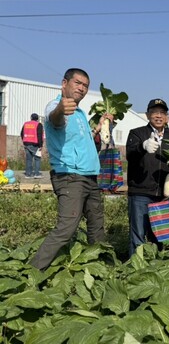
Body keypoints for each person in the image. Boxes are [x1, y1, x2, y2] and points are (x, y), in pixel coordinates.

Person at [30, 68, 106, 270]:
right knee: (67, 227)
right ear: (65, 83)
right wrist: (61, 109)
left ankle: (100, 269)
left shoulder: (80, 114)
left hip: (89, 176)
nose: (82, 88)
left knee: (96, 225)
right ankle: (32, 272)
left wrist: (99, 127)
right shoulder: (56, 106)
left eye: (85, 86)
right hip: (70, 176)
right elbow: (55, 119)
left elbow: (80, 140)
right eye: (78, 83)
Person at [126, 99, 169, 256]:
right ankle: (135, 270)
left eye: (162, 113)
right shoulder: (137, 133)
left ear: (167, 117)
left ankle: (157, 268)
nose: (159, 116)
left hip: (163, 194)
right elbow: (130, 154)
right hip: (141, 193)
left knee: (160, 235)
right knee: (138, 236)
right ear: (148, 115)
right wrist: (142, 147)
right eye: (155, 112)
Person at [21, 113, 44, 179]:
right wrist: (40, 145)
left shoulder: (26, 124)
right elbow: (39, 135)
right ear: (37, 119)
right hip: (35, 144)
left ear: (31, 118)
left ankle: (28, 174)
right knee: (37, 159)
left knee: (29, 159)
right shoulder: (38, 124)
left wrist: (24, 140)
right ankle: (36, 174)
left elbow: (22, 133)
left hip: (26, 144)